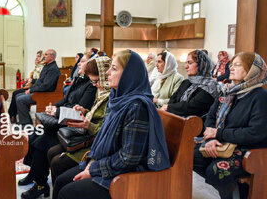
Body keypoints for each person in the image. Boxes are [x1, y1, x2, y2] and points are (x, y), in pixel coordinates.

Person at [53, 50, 170, 199]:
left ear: (129, 75)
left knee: (66, 192)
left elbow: (129, 158)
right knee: (60, 181)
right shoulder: (118, 98)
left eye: (114, 68)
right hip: (108, 163)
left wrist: (94, 169)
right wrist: (92, 162)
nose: (107, 72)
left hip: (125, 176)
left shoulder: (137, 106)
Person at [193, 52, 267, 199]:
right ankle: (217, 193)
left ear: (251, 70)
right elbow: (211, 117)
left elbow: (255, 133)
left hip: (251, 150)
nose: (232, 68)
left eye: (237, 65)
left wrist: (217, 134)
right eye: (231, 65)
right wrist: (210, 140)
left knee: (217, 170)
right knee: (191, 156)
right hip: (223, 143)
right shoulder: (228, 92)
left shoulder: (261, 97)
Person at [18, 52, 97, 199]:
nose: (78, 64)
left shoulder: (91, 86)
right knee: (35, 134)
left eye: (83, 62)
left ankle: (40, 185)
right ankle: (34, 175)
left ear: (92, 65)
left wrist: (57, 111)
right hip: (62, 118)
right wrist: (52, 107)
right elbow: (65, 100)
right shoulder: (79, 80)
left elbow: (80, 108)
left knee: (42, 141)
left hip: (72, 125)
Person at [48, 56, 112, 185]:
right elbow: (96, 114)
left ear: (106, 75)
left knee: (57, 162)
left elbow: (106, 130)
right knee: (51, 152)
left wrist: (88, 125)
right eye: (93, 82)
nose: (95, 85)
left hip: (94, 142)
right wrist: (84, 111)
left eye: (96, 81)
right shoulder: (102, 92)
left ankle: (61, 188)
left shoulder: (112, 97)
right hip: (88, 135)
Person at [160, 50, 219, 119]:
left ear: (201, 65)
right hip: (175, 119)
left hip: (195, 125)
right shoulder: (186, 82)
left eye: (190, 63)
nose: (186, 66)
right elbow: (172, 100)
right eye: (186, 63)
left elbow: (193, 106)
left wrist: (169, 107)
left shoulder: (210, 86)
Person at [15, 49, 60, 126]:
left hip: (45, 94)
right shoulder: (47, 66)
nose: (44, 56)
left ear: (52, 57)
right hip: (41, 92)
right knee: (18, 96)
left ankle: (25, 124)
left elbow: (46, 86)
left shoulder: (53, 69)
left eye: (46, 55)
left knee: (20, 99)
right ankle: (25, 120)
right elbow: (40, 81)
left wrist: (31, 90)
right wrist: (31, 87)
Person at [8, 50, 46, 121]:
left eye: (38, 56)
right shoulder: (38, 66)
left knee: (16, 93)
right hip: (32, 85)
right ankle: (13, 114)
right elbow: (34, 77)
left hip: (35, 88)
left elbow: (39, 80)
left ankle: (12, 115)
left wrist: (31, 80)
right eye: (36, 56)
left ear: (42, 57)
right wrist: (29, 79)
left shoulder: (43, 67)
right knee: (16, 93)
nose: (37, 58)